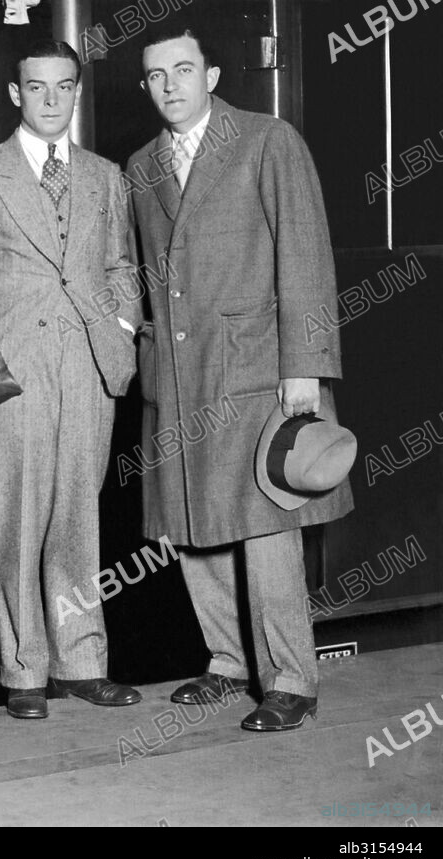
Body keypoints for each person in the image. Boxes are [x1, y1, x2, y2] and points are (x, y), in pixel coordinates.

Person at [127, 21, 353, 731]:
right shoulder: (141, 165)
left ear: (212, 76)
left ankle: (292, 679)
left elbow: (305, 252)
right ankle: (227, 662)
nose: (170, 86)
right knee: (194, 520)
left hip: (255, 366)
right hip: (178, 370)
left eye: (183, 70)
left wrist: (305, 365)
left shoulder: (266, 139)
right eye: (156, 75)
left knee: (264, 522)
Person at [0, 40, 142, 721]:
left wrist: (120, 330)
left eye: (64, 87)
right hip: (15, 374)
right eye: (37, 87)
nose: (52, 99)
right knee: (16, 521)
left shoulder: (105, 177)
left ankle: (82, 663)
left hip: (88, 367)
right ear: (15, 94)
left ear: (77, 92)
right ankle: (24, 670)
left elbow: (120, 266)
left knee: (79, 519)